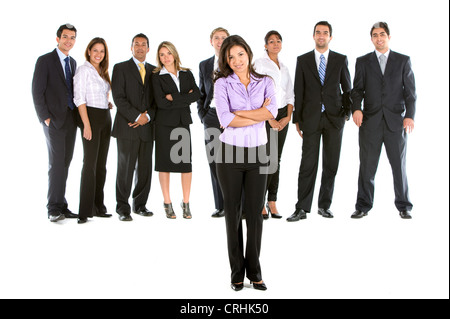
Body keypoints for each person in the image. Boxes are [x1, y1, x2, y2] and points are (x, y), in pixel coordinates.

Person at [214, 35, 278, 291]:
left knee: (255, 214)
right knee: (233, 214)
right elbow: (223, 118)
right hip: (230, 153)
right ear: (226, 61)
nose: (237, 60)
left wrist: (238, 112)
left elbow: (272, 112)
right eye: (231, 57)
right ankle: (236, 272)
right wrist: (255, 114)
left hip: (257, 153)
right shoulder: (222, 83)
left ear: (249, 54)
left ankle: (255, 270)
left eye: (240, 54)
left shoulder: (266, 81)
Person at [287, 21, 352, 222]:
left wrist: (346, 114)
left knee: (331, 164)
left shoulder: (341, 59)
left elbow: (347, 89)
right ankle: (301, 208)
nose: (321, 35)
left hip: (334, 119)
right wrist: (297, 119)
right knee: (308, 164)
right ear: (313, 36)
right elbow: (299, 90)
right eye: (318, 32)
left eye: (325, 33)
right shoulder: (303, 60)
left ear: (330, 37)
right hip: (311, 119)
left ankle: (325, 205)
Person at [351, 22, 416, 219]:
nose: (379, 38)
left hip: (396, 122)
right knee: (367, 167)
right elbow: (357, 90)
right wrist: (356, 109)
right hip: (370, 122)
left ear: (388, 37)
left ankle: (404, 206)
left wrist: (409, 116)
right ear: (371, 39)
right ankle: (363, 205)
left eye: (382, 34)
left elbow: (410, 93)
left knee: (399, 166)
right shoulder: (363, 62)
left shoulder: (403, 61)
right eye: (375, 35)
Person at [32, 23, 79, 222]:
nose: (69, 41)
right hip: (54, 121)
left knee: (65, 163)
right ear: (58, 38)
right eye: (65, 37)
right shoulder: (45, 61)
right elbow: (37, 91)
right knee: (56, 164)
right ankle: (53, 208)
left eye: (72, 37)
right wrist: (45, 118)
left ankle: (62, 204)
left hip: (71, 119)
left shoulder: (73, 62)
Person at [152, 41, 200, 219]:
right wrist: (183, 98)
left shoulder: (186, 73)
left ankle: (186, 203)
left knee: (185, 165)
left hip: (182, 123)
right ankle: (167, 202)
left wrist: (174, 97)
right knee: (164, 164)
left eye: (168, 53)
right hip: (164, 124)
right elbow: (161, 103)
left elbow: (196, 94)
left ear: (174, 54)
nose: (166, 57)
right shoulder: (156, 76)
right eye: (162, 54)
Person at [111, 33, 156, 222]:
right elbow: (118, 97)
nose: (139, 47)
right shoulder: (120, 68)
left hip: (147, 128)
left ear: (148, 48)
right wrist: (137, 116)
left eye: (143, 44)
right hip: (127, 126)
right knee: (125, 169)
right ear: (131, 48)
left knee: (145, 169)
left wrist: (148, 117)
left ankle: (140, 205)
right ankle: (122, 208)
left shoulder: (155, 71)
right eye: (136, 44)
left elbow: (158, 100)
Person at [254, 30, 294, 220]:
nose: (275, 44)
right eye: (271, 41)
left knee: (276, 159)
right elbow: (255, 91)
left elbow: (290, 94)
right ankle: (259, 201)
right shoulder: (260, 64)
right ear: (265, 45)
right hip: (266, 113)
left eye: (278, 41)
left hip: (282, 113)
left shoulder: (284, 67)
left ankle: (272, 201)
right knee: (265, 160)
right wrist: (269, 118)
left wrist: (287, 116)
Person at [73, 38, 113, 224]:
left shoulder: (103, 72)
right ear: (89, 51)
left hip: (105, 117)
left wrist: (107, 103)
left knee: (101, 165)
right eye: (95, 50)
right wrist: (86, 125)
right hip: (91, 119)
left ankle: (98, 207)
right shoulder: (83, 70)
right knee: (89, 164)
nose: (98, 54)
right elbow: (79, 98)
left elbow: (101, 95)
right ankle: (85, 210)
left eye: (102, 51)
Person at [197, 27, 230, 218]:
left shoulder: (234, 61)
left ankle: (236, 204)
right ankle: (221, 205)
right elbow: (201, 92)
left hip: (231, 118)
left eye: (223, 38)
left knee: (233, 160)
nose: (220, 41)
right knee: (214, 162)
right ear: (211, 41)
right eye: (216, 38)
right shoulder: (204, 65)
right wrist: (203, 115)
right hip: (211, 116)